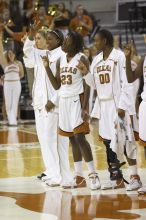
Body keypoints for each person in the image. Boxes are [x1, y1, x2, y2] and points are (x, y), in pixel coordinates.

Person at [78, 29, 142, 190]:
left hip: (117, 106)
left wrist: (122, 106)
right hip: (103, 106)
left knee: (125, 140)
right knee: (108, 143)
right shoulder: (97, 59)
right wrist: (86, 73)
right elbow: (94, 84)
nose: (94, 44)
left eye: (97, 41)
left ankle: (135, 176)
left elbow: (127, 83)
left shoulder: (119, 57)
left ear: (105, 40)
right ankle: (116, 177)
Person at [42, 31, 101, 190]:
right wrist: (47, 68)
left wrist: (85, 107)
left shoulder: (81, 58)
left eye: (67, 41)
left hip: (77, 100)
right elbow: (57, 86)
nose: (63, 43)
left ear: (74, 44)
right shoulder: (61, 59)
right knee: (72, 140)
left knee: (80, 138)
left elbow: (90, 84)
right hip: (64, 103)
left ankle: (93, 174)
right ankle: (79, 176)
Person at [23, 25, 73, 188]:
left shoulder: (61, 55)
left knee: (55, 141)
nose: (47, 42)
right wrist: (30, 39)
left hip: (54, 104)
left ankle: (59, 175)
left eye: (49, 39)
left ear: (58, 40)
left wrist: (53, 100)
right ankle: (52, 172)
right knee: (45, 140)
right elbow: (29, 56)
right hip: (41, 104)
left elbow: (63, 83)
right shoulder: (47, 54)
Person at [124, 42, 146, 194]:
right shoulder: (144, 58)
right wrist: (127, 58)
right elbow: (131, 78)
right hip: (145, 104)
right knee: (145, 145)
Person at [0, 31, 24, 126]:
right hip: (7, 84)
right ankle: (10, 119)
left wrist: (15, 77)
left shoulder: (19, 63)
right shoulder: (5, 64)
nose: (10, 55)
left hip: (16, 84)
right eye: (9, 54)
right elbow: (1, 52)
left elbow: (21, 75)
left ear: (14, 54)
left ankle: (13, 120)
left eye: (12, 54)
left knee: (15, 103)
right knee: (8, 103)